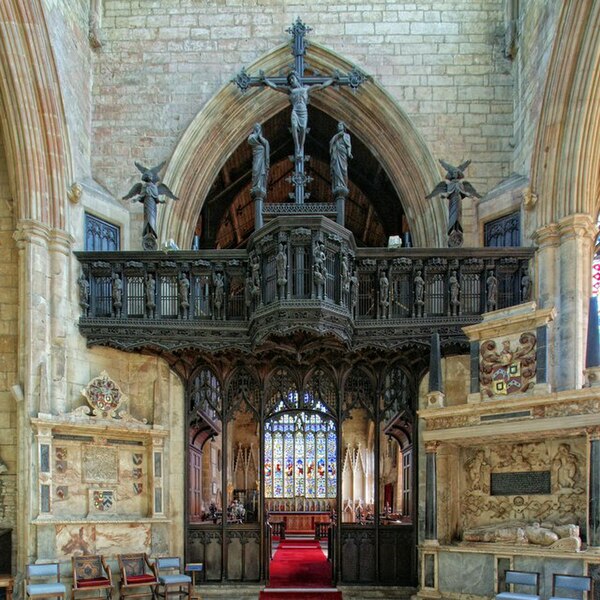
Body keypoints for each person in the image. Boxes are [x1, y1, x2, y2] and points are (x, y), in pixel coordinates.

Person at [262, 70, 335, 159]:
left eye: (292, 78)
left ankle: (301, 147)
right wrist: (267, 81)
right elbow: (276, 87)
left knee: (303, 129)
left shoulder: (306, 89)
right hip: (295, 111)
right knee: (294, 126)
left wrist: (332, 80)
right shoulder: (290, 90)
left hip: (303, 112)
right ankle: (297, 147)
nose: (291, 81)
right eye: (290, 80)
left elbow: (322, 86)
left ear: (297, 78)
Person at [329, 121, 352, 195]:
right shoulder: (336, 136)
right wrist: (338, 136)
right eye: (338, 125)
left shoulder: (347, 136)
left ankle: (343, 185)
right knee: (336, 169)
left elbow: (348, 145)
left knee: (344, 170)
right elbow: (331, 143)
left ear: (344, 127)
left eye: (341, 125)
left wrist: (349, 153)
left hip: (343, 154)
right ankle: (338, 185)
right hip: (336, 155)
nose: (339, 126)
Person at [248, 123, 270, 198]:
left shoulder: (262, 139)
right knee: (256, 170)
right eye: (256, 127)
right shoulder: (252, 136)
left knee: (261, 173)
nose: (257, 128)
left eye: (259, 127)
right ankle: (256, 185)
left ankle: (260, 185)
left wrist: (260, 136)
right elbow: (251, 140)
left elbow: (266, 143)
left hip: (261, 160)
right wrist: (257, 134)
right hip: (256, 158)